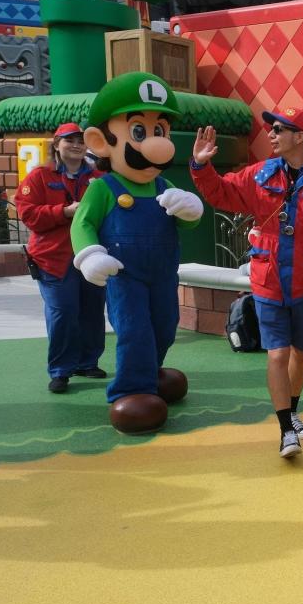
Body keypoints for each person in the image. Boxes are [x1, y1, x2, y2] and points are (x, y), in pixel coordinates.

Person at [189, 109, 303, 459]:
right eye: (271, 128)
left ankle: (292, 411)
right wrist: (201, 166)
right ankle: (285, 430)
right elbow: (221, 193)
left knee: (301, 352)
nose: (271, 134)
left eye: (279, 129)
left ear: (301, 137)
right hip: (267, 278)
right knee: (278, 352)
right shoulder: (260, 174)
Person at [71, 73, 202, 433]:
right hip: (125, 275)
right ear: (101, 140)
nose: (156, 143)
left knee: (165, 327)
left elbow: (184, 224)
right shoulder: (104, 188)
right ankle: (130, 391)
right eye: (140, 132)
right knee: (134, 331)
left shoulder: (164, 184)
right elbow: (81, 225)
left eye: (159, 131)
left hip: (162, 273)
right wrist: (89, 256)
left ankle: (149, 374)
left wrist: (191, 210)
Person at [16, 123, 107, 393]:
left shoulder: (99, 178)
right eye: (70, 141)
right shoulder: (39, 177)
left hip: (90, 256)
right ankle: (61, 370)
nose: (77, 145)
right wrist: (63, 212)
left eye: (81, 140)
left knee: (92, 312)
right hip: (53, 259)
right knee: (63, 314)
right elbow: (28, 215)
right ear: (56, 145)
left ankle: (87, 362)